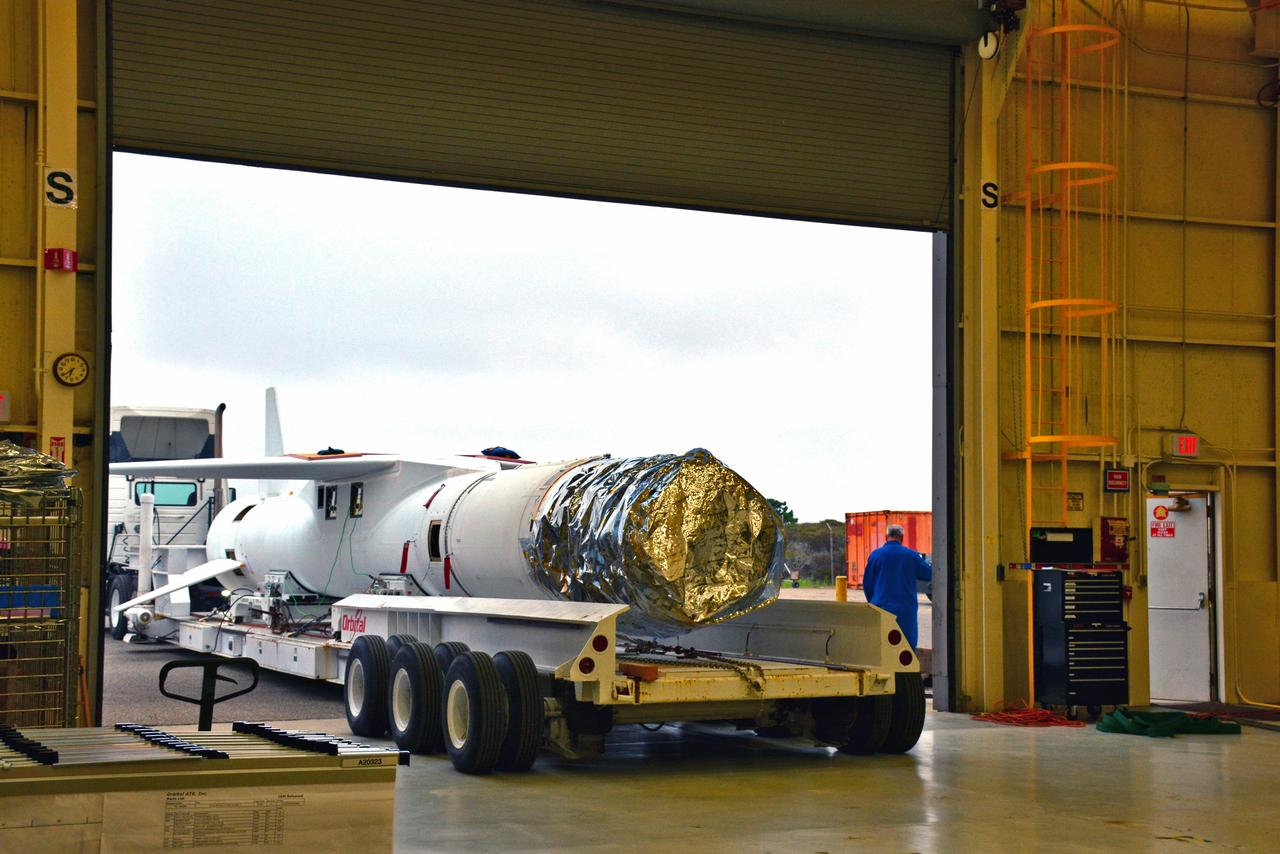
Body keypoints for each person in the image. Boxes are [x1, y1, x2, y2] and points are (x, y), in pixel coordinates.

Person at [861, 524, 931, 649]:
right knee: (906, 648)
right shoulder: (911, 556)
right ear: (902, 537)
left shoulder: (875, 556)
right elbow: (930, 574)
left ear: (886, 536)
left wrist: (873, 601)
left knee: (883, 646)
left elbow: (867, 584)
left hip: (881, 607)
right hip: (905, 609)